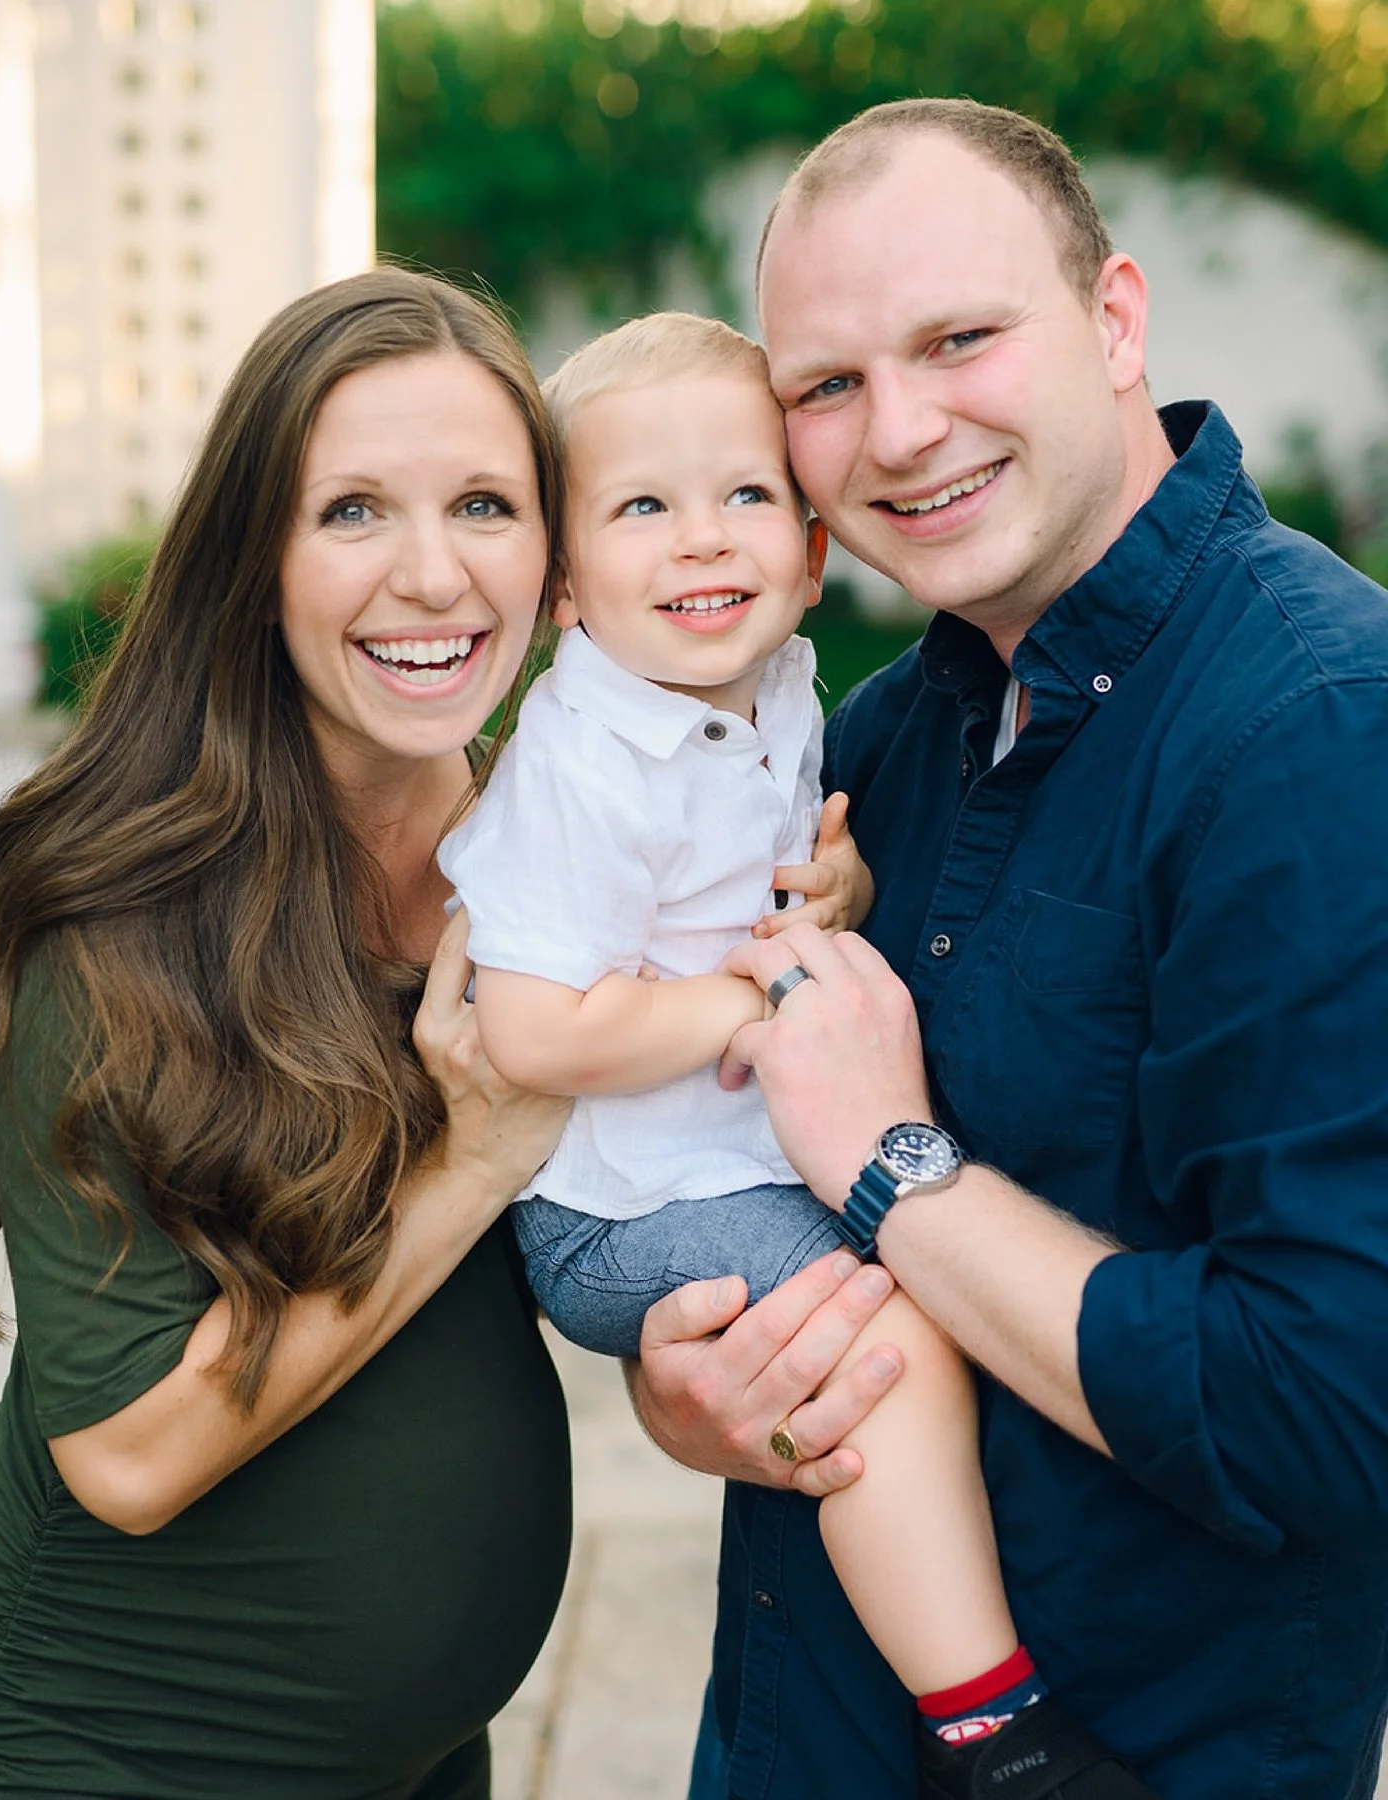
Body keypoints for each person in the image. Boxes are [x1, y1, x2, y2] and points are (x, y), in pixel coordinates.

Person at [629, 98, 1388, 1800]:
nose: (898, 431)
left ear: (1114, 320)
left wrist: (896, 1166)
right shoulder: (882, 739)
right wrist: (699, 1392)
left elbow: (1336, 1412)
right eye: (827, 385)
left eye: (959, 340)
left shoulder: (1324, 731)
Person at [439, 310, 1150, 1796]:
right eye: (644, 507)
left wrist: (833, 899)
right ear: (566, 584)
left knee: (949, 1278)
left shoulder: (766, 688)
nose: (704, 542)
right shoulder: (580, 767)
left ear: (814, 550)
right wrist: (750, 1007)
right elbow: (531, 1028)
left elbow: (776, 881)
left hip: (721, 1152)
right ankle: (992, 1730)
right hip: (616, 1204)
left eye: (748, 497)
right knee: (888, 1340)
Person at [0, 266, 575, 1799]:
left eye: (486, 504)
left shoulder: (556, 861)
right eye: (353, 510)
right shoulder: (115, 917)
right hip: (104, 1748)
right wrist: (467, 1165)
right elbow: (129, 1461)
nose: (433, 574)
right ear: (255, 560)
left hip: (421, 1760)